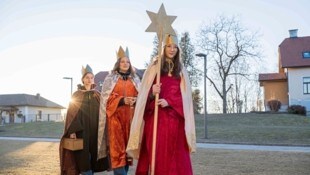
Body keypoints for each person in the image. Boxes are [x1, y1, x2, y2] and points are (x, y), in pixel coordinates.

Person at [126, 34, 196, 175]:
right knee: (157, 156)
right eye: (169, 46)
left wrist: (169, 102)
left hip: (175, 123)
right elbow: (143, 99)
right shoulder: (154, 68)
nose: (172, 50)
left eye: (175, 47)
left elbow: (186, 99)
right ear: (163, 48)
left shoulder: (181, 71)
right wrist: (152, 92)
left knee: (176, 160)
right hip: (156, 122)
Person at [97, 46, 140, 175]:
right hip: (115, 119)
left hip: (131, 120)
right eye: (122, 61)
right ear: (118, 63)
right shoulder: (110, 79)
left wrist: (136, 100)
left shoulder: (136, 79)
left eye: (127, 62)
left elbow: (142, 97)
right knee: (117, 151)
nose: (125, 64)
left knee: (128, 152)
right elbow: (105, 99)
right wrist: (122, 100)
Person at [59, 65, 109, 175]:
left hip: (95, 131)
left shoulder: (97, 95)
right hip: (82, 131)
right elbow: (72, 114)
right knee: (83, 159)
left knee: (93, 158)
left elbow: (103, 112)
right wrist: (72, 131)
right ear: (83, 79)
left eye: (91, 77)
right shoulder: (77, 95)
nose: (89, 79)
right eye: (87, 77)